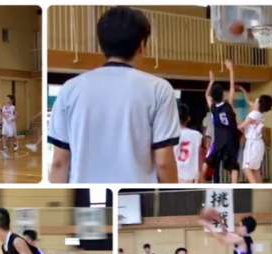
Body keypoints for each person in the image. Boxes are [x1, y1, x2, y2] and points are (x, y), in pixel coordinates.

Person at [48, 6, 180, 183]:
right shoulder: (160, 89)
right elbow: (163, 162)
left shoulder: (70, 89)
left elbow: (59, 162)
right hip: (135, 190)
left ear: (102, 45)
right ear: (142, 45)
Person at [202, 60, 240, 183]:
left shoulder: (213, 108)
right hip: (231, 140)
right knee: (233, 167)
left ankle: (199, 180)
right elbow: (232, 87)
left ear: (213, 97)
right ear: (223, 94)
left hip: (218, 141)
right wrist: (231, 70)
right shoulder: (228, 105)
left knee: (208, 161)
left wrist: (211, 81)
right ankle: (234, 186)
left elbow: (206, 95)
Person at [238, 87, 272, 183]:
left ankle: (254, 188)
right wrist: (243, 90)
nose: (255, 101)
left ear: (259, 104)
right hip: (258, 144)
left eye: (257, 100)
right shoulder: (259, 113)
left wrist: (231, 128)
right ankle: (260, 188)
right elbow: (249, 101)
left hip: (252, 144)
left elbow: (242, 126)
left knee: (246, 168)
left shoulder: (254, 114)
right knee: (255, 170)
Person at [175, 103, 203, 183]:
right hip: (191, 178)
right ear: (188, 118)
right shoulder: (197, 135)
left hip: (175, 176)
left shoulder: (169, 135)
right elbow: (199, 158)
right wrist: (200, 174)